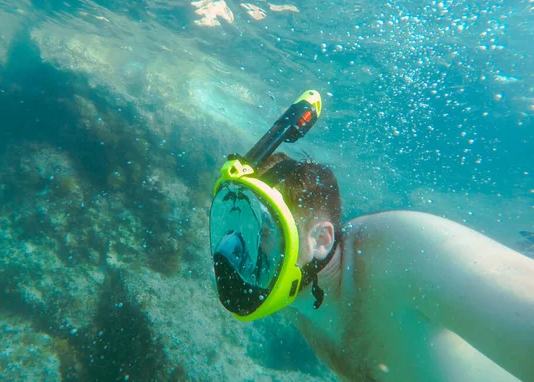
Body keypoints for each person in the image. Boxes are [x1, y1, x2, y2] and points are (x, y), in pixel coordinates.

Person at [209, 91, 534, 382]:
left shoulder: (402, 249)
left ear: (320, 241)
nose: (232, 249)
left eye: (263, 231)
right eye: (234, 229)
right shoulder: (292, 296)